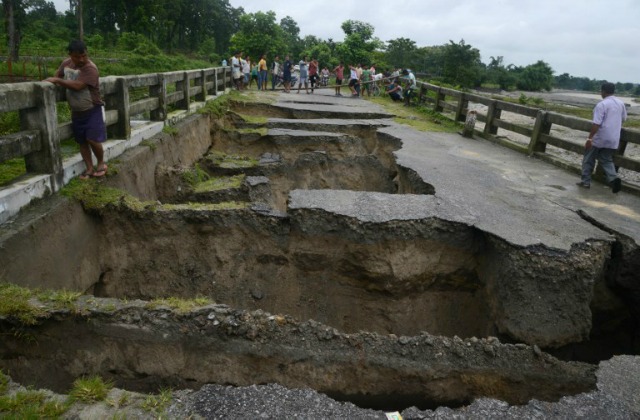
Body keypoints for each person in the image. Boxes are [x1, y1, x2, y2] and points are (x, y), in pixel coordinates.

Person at [45, 40, 107, 179]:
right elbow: (58, 74)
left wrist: (58, 81)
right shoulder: (66, 64)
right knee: (82, 141)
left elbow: (78, 85)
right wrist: (56, 79)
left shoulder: (90, 68)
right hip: (76, 111)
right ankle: (89, 168)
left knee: (93, 139)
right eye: (77, 57)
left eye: (84, 56)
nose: (81, 59)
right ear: (70, 55)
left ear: (87, 53)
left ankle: (101, 163)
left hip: (92, 109)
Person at [577, 82, 627, 193]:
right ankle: (613, 179)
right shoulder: (621, 103)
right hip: (613, 138)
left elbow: (596, 124)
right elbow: (623, 119)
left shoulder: (602, 104)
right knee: (606, 159)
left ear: (603, 91)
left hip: (600, 137)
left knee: (589, 158)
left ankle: (585, 182)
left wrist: (589, 139)